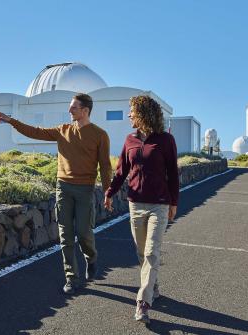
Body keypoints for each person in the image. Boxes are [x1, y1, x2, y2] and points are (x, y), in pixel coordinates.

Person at [0, 93, 111, 295]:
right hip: (63, 188)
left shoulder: (100, 135)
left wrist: (108, 191)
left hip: (85, 190)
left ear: (85, 111)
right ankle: (71, 277)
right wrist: (11, 121)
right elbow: (34, 132)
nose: (69, 110)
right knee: (65, 236)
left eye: (73, 107)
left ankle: (91, 258)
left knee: (84, 234)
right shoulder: (62, 130)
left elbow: (105, 166)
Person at [103, 95, 179, 324]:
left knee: (151, 252)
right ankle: (153, 286)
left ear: (143, 114)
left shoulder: (166, 140)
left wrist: (174, 202)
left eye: (132, 111)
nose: (129, 115)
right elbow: (121, 172)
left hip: (159, 204)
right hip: (135, 204)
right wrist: (109, 193)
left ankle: (143, 303)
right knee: (141, 253)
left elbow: (173, 174)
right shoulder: (129, 140)